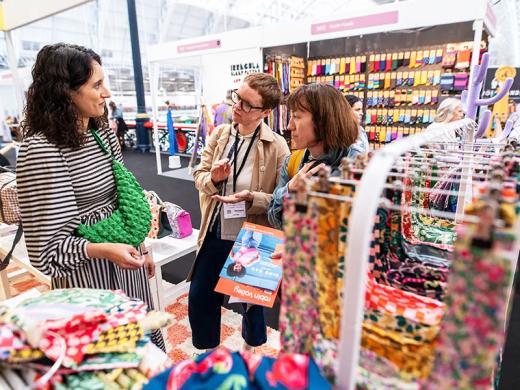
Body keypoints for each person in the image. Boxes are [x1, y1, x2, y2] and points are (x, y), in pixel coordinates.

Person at [16, 43, 164, 350]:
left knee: (142, 354)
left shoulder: (101, 132)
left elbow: (126, 197)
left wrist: (142, 244)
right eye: (96, 85)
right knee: (109, 361)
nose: (106, 93)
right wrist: (104, 250)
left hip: (126, 263)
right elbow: (46, 251)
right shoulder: (42, 150)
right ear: (65, 92)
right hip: (88, 278)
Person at [189, 73, 290, 352]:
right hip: (216, 228)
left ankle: (251, 351)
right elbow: (197, 173)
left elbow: (282, 199)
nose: (238, 106)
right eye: (238, 97)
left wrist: (252, 199)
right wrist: (214, 178)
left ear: (265, 112)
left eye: (247, 104)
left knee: (249, 301)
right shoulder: (220, 134)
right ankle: (209, 355)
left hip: (252, 236)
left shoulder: (278, 146)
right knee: (200, 297)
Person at [267, 83, 362, 230]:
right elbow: (274, 219)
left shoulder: (356, 166)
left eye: (296, 117)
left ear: (323, 120)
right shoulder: (293, 161)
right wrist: (289, 190)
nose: (289, 126)